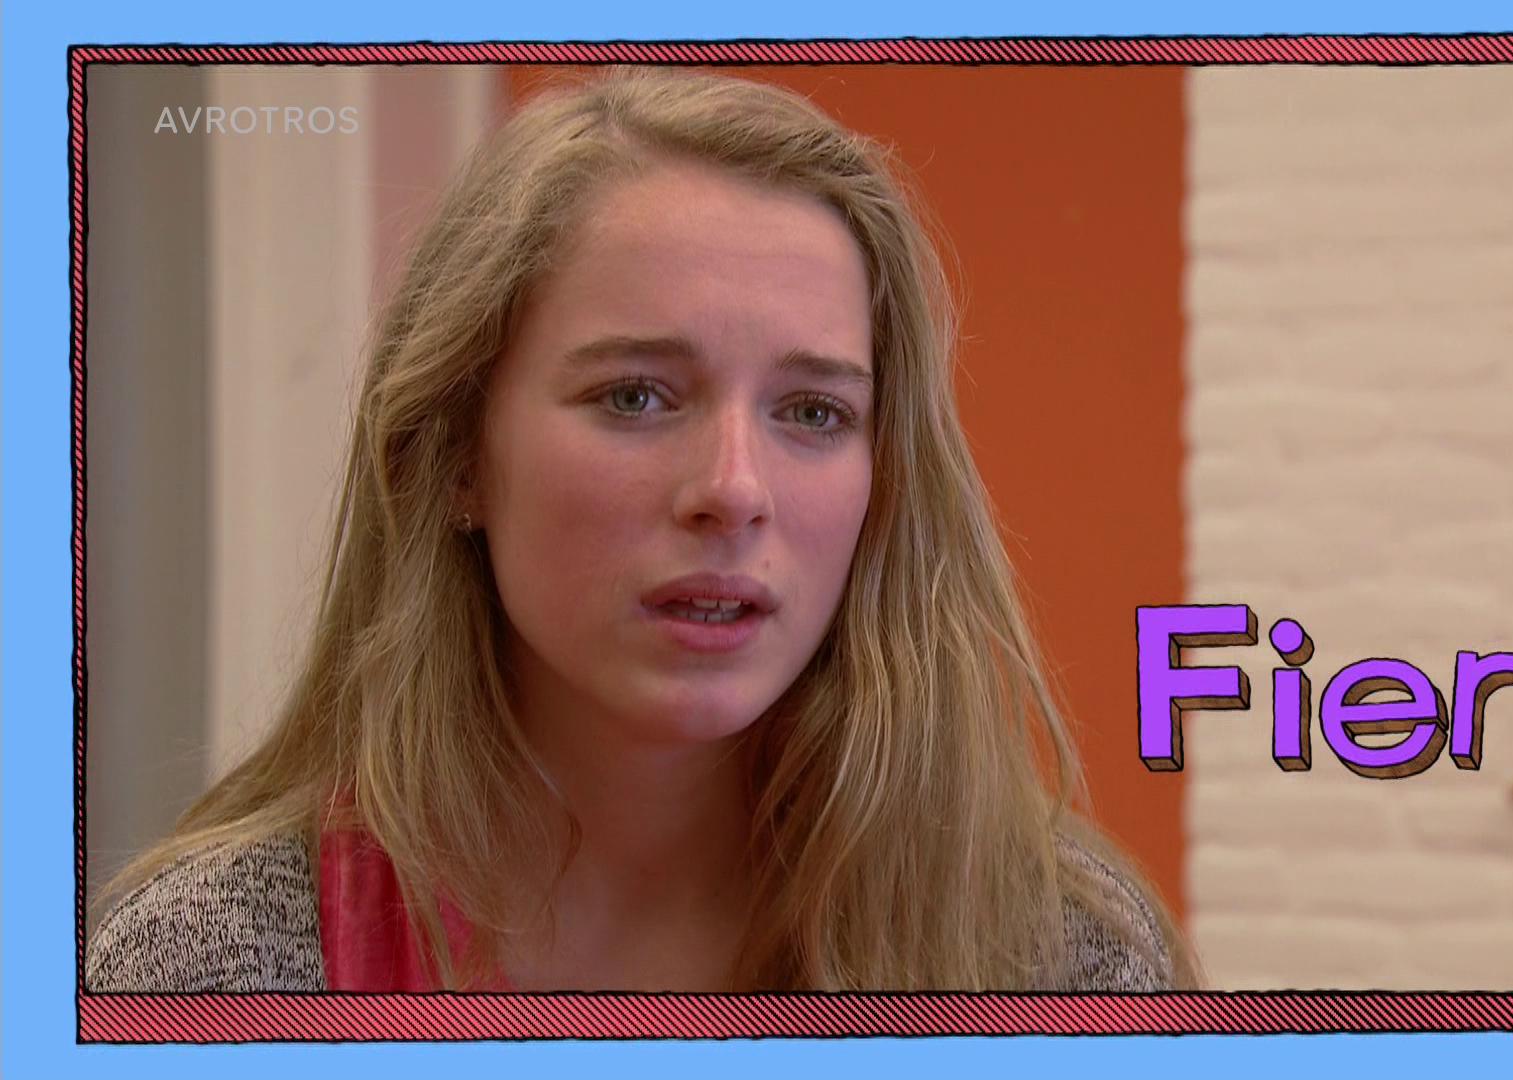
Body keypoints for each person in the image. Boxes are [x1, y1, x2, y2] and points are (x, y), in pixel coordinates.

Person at [88, 68, 1196, 993]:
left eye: (814, 413)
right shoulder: (221, 963)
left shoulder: (1059, 956)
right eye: (636, 396)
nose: (733, 489)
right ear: (459, 452)